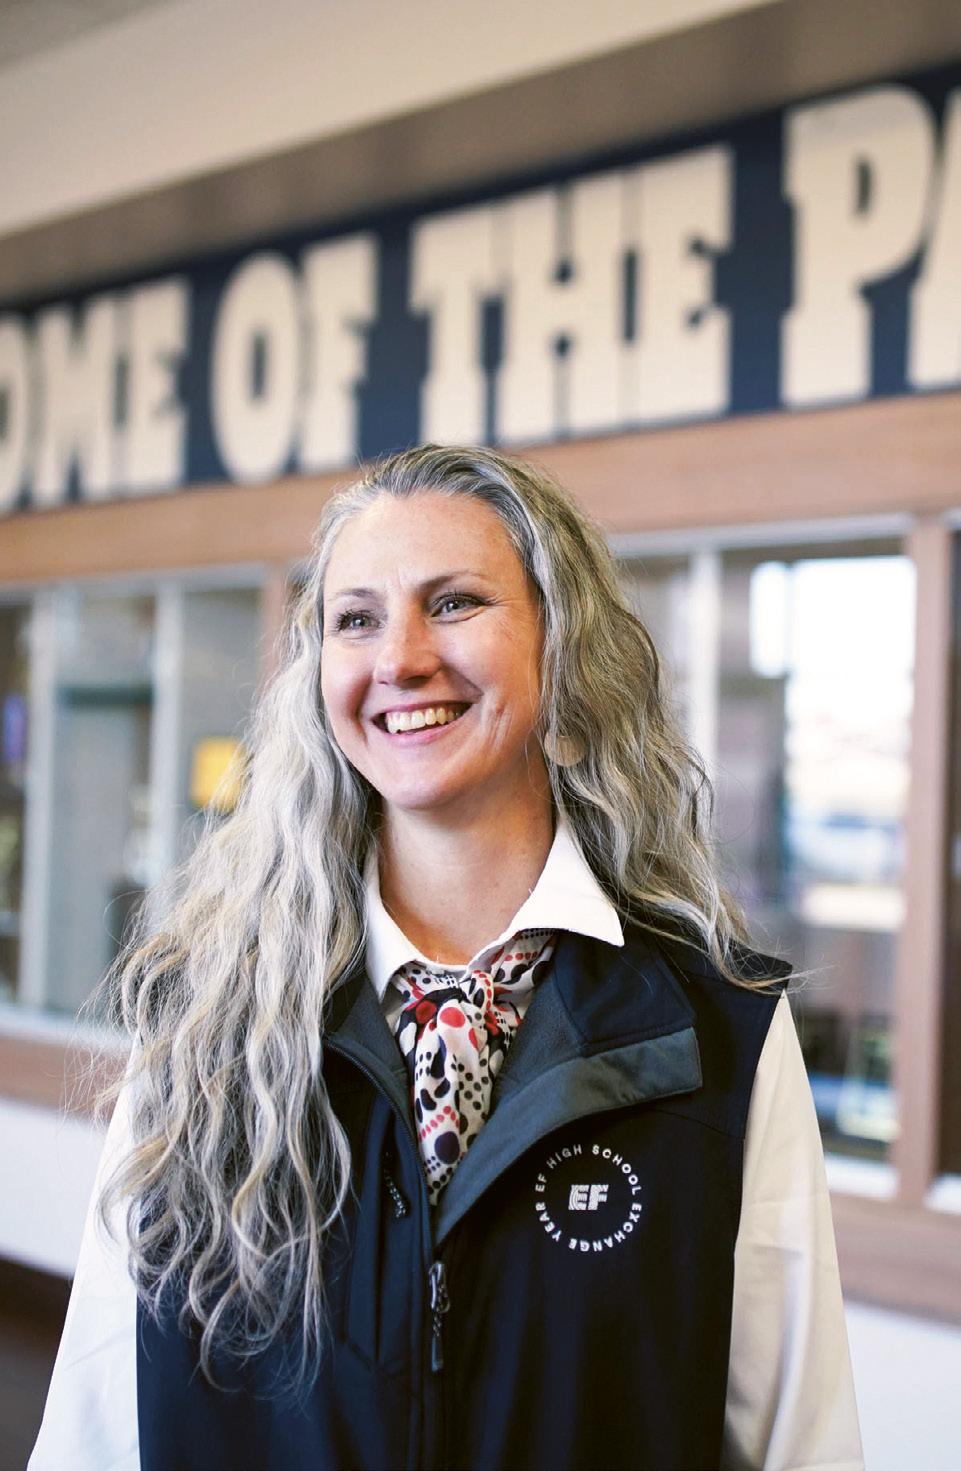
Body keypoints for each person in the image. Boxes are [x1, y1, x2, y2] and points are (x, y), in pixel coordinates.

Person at [30, 444, 863, 1471]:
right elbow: (95, 1433)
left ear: (560, 646)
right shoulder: (207, 1023)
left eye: (455, 602)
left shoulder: (716, 1035)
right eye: (356, 619)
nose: (399, 658)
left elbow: (802, 1447)